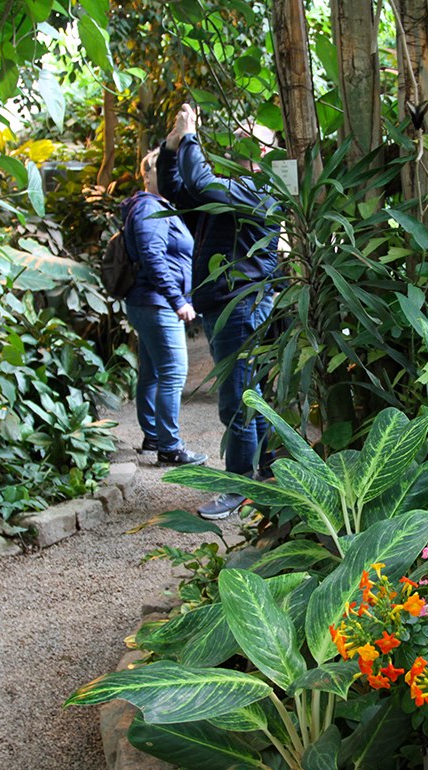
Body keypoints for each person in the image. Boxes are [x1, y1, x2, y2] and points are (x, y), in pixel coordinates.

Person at [158, 104, 280, 520]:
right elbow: (179, 191)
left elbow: (201, 182)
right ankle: (268, 472)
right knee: (250, 394)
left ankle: (238, 486)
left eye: (252, 135)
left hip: (242, 304)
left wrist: (191, 135)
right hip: (226, 305)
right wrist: (172, 147)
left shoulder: (257, 188)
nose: (242, 140)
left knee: (238, 401)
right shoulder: (231, 190)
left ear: (266, 149)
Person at [122, 149, 207, 467]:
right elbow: (152, 255)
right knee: (173, 372)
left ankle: (154, 437)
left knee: (153, 371)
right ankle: (169, 446)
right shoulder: (149, 208)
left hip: (148, 302)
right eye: (167, 168)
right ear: (149, 174)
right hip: (157, 304)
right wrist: (179, 301)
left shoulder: (157, 207)